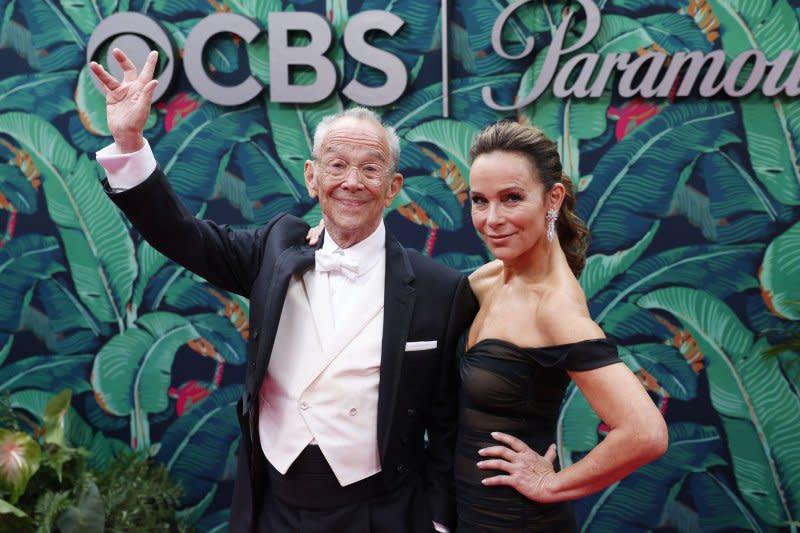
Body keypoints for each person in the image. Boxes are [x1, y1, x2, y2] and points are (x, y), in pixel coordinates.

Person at [89, 49, 477, 533]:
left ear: (393, 186)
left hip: (381, 513)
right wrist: (128, 140)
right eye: (336, 165)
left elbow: (448, 426)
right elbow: (181, 234)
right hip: (273, 509)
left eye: (370, 169)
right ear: (312, 178)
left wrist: (439, 524)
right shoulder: (274, 249)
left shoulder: (441, 288)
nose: (352, 182)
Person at [455, 121, 668, 531]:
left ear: (552, 199)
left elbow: (646, 433)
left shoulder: (554, 309)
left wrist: (551, 485)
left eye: (512, 198)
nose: (491, 218)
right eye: (479, 201)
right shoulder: (486, 281)